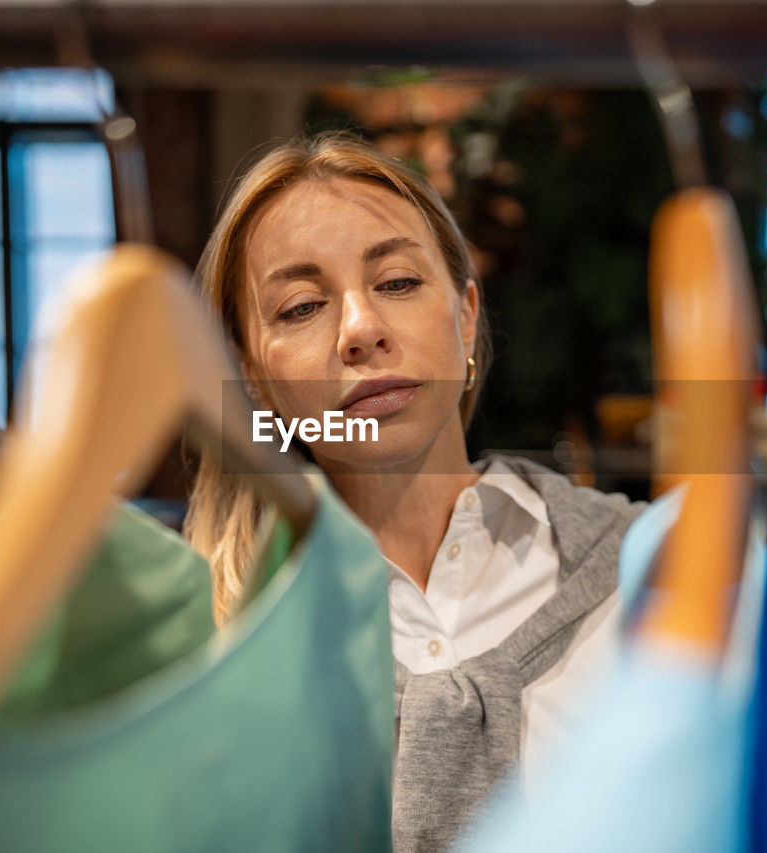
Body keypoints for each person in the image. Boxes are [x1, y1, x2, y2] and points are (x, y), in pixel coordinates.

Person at [184, 130, 647, 852]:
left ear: (465, 318)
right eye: (302, 306)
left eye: (397, 283)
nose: (361, 330)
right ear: (252, 377)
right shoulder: (210, 644)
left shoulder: (649, 573)